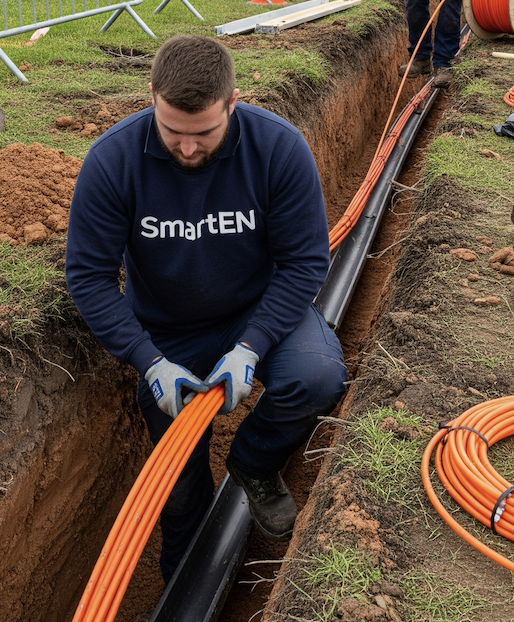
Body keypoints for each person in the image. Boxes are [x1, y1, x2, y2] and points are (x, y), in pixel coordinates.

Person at [66, 35, 348, 582]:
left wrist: (252, 345)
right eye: (172, 131)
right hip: (167, 334)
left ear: (232, 104)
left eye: (204, 133)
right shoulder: (113, 161)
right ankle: (184, 586)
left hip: (257, 313)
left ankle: (254, 462)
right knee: (178, 493)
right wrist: (148, 360)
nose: (188, 148)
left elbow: (305, 261)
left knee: (317, 376)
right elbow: (89, 277)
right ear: (151, 99)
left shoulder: (278, 149)